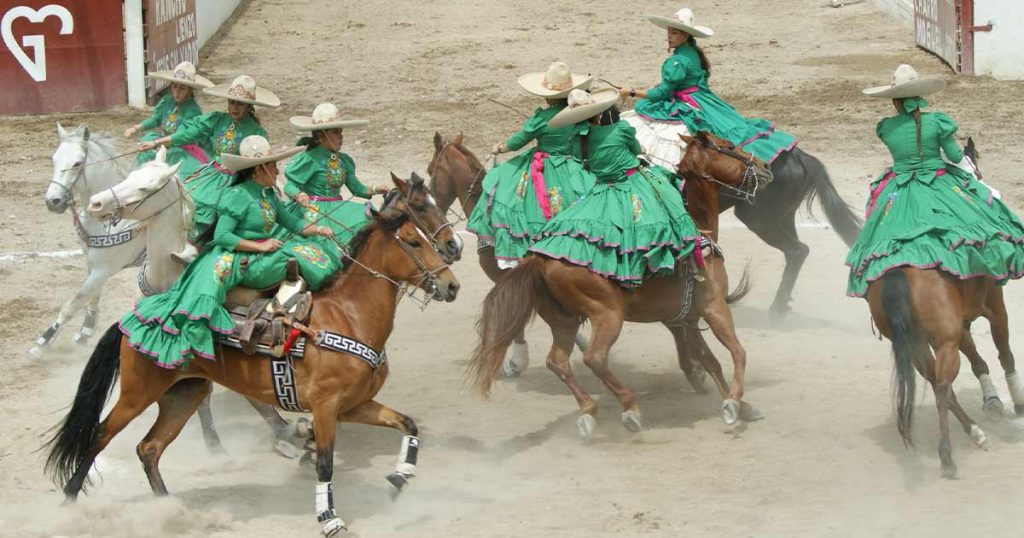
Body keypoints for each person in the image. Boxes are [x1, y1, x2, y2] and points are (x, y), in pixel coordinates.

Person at [119, 135, 338, 368]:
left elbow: (293, 223)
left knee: (310, 248)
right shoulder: (237, 196)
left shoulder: (268, 195)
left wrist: (319, 229)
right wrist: (260, 245)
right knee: (292, 256)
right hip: (242, 258)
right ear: (258, 170)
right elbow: (222, 236)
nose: (277, 171)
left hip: (263, 252)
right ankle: (277, 317)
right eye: (273, 166)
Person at [845, 64, 1024, 297]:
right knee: (983, 211)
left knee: (877, 222)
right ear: (919, 95)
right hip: (939, 181)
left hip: (901, 186)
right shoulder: (938, 121)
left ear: (894, 101)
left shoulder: (886, 128)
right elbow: (956, 157)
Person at [528, 89, 702, 288]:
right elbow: (636, 150)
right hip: (633, 181)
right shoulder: (622, 128)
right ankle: (691, 257)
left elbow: (582, 159)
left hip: (602, 188)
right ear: (600, 112)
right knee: (670, 197)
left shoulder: (579, 138)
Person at [619, 7, 797, 167]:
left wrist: (632, 92)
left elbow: (663, 92)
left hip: (689, 101)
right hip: (702, 99)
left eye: (674, 33)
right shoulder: (692, 53)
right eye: (669, 32)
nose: (669, 36)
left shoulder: (678, 60)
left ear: (685, 35)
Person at [466, 62, 598, 268]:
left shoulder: (542, 117)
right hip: (574, 166)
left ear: (547, 96)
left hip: (544, 166)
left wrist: (500, 147)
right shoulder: (579, 113)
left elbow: (518, 141)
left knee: (507, 187)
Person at [138, 75, 280, 252]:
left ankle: (207, 248)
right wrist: (156, 143)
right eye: (232, 102)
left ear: (249, 107)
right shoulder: (218, 119)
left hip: (237, 180)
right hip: (211, 173)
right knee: (184, 195)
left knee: (217, 208)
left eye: (240, 104)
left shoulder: (257, 132)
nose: (234, 108)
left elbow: (260, 162)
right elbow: (188, 134)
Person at [284, 103, 389, 251]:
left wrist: (376, 189)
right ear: (321, 135)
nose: (341, 137)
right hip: (314, 209)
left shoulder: (343, 160)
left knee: (366, 218)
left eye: (340, 132)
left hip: (338, 207)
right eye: (335, 132)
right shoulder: (310, 159)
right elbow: (289, 186)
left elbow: (356, 189)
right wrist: (299, 194)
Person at [125, 61, 213, 167]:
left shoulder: (193, 110)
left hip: (182, 147)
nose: (177, 91)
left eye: (182, 88)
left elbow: (180, 136)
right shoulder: (167, 100)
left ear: (190, 90)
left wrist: (156, 143)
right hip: (164, 142)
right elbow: (155, 119)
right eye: (174, 86)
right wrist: (135, 128)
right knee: (146, 145)